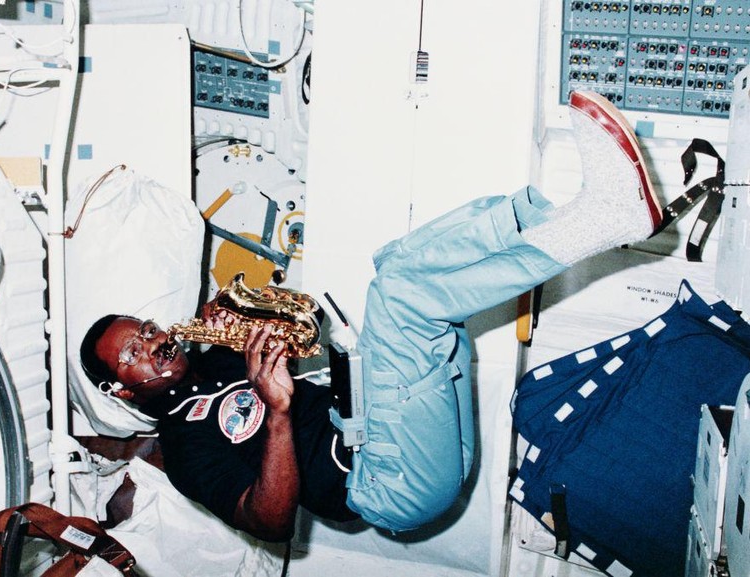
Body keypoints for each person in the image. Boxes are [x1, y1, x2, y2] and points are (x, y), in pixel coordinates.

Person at [79, 91, 663, 541]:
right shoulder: (184, 448)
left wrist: (254, 319)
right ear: (121, 392)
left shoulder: (215, 354)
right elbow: (270, 523)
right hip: (385, 481)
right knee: (400, 300)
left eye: (147, 329)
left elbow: (308, 340)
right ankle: (602, 223)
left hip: (389, 427)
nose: (153, 342)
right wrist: (278, 411)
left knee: (396, 264)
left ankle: (561, 214)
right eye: (133, 353)